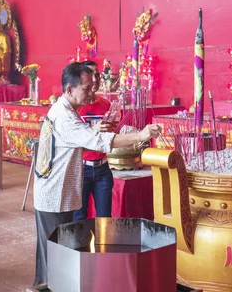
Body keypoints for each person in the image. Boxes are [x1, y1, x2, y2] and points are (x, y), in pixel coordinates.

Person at [32, 62, 160, 286]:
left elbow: (86, 138)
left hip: (59, 193)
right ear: (70, 89)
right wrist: (140, 135)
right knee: (51, 258)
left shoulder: (67, 110)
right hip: (53, 195)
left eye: (94, 86)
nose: (93, 91)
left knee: (54, 252)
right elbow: (99, 142)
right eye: (87, 87)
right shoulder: (64, 116)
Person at [73, 60, 114, 221]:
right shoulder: (74, 108)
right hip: (81, 168)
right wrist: (93, 130)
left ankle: (103, 246)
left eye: (97, 75)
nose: (95, 79)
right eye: (90, 75)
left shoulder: (106, 105)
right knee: (79, 215)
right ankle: (79, 247)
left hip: (103, 168)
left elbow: (109, 136)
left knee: (105, 217)